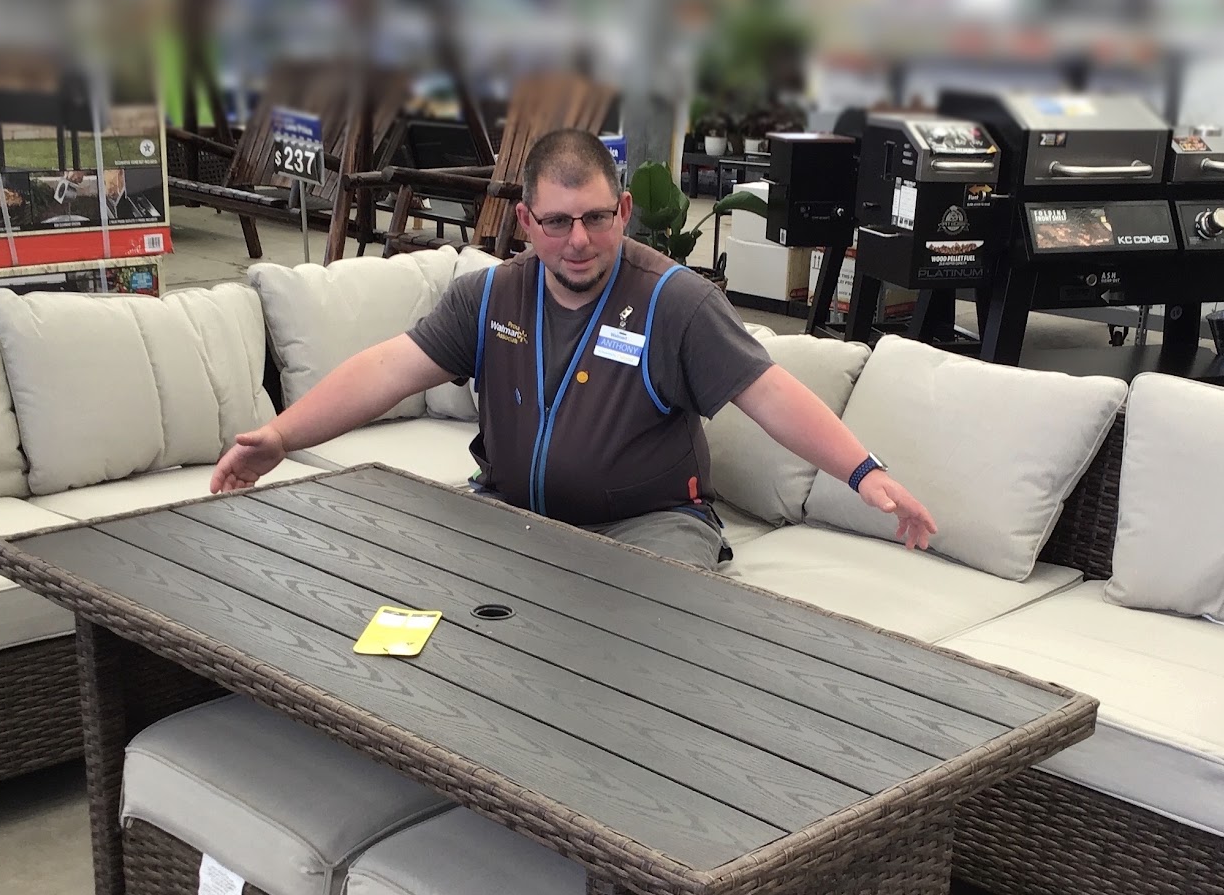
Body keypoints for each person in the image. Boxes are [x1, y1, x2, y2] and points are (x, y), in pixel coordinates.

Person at [211, 127, 934, 569]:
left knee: (622, 644)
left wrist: (863, 473)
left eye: (596, 217)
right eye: (557, 222)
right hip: (511, 511)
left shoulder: (675, 302)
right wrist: (280, 436)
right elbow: (385, 369)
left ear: (624, 210)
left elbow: (768, 392)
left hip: (650, 530)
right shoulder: (490, 297)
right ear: (526, 221)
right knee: (420, 597)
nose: (579, 240)